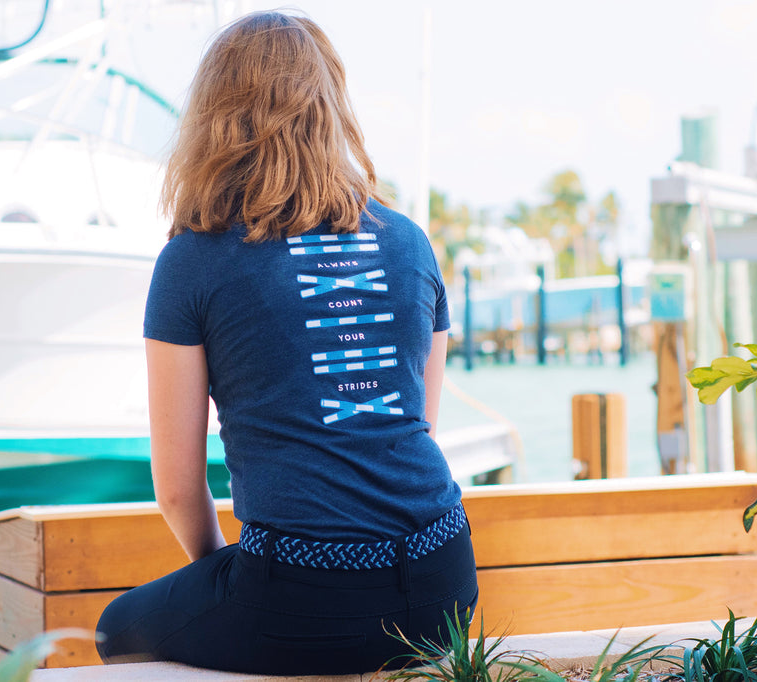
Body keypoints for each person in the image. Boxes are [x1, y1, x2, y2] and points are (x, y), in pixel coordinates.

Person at [95, 11, 478, 675]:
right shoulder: (411, 242)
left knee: (112, 632)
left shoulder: (194, 260)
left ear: (213, 117)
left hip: (307, 597)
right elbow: (414, 429)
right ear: (332, 106)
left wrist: (227, 579)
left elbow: (180, 491)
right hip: (445, 582)